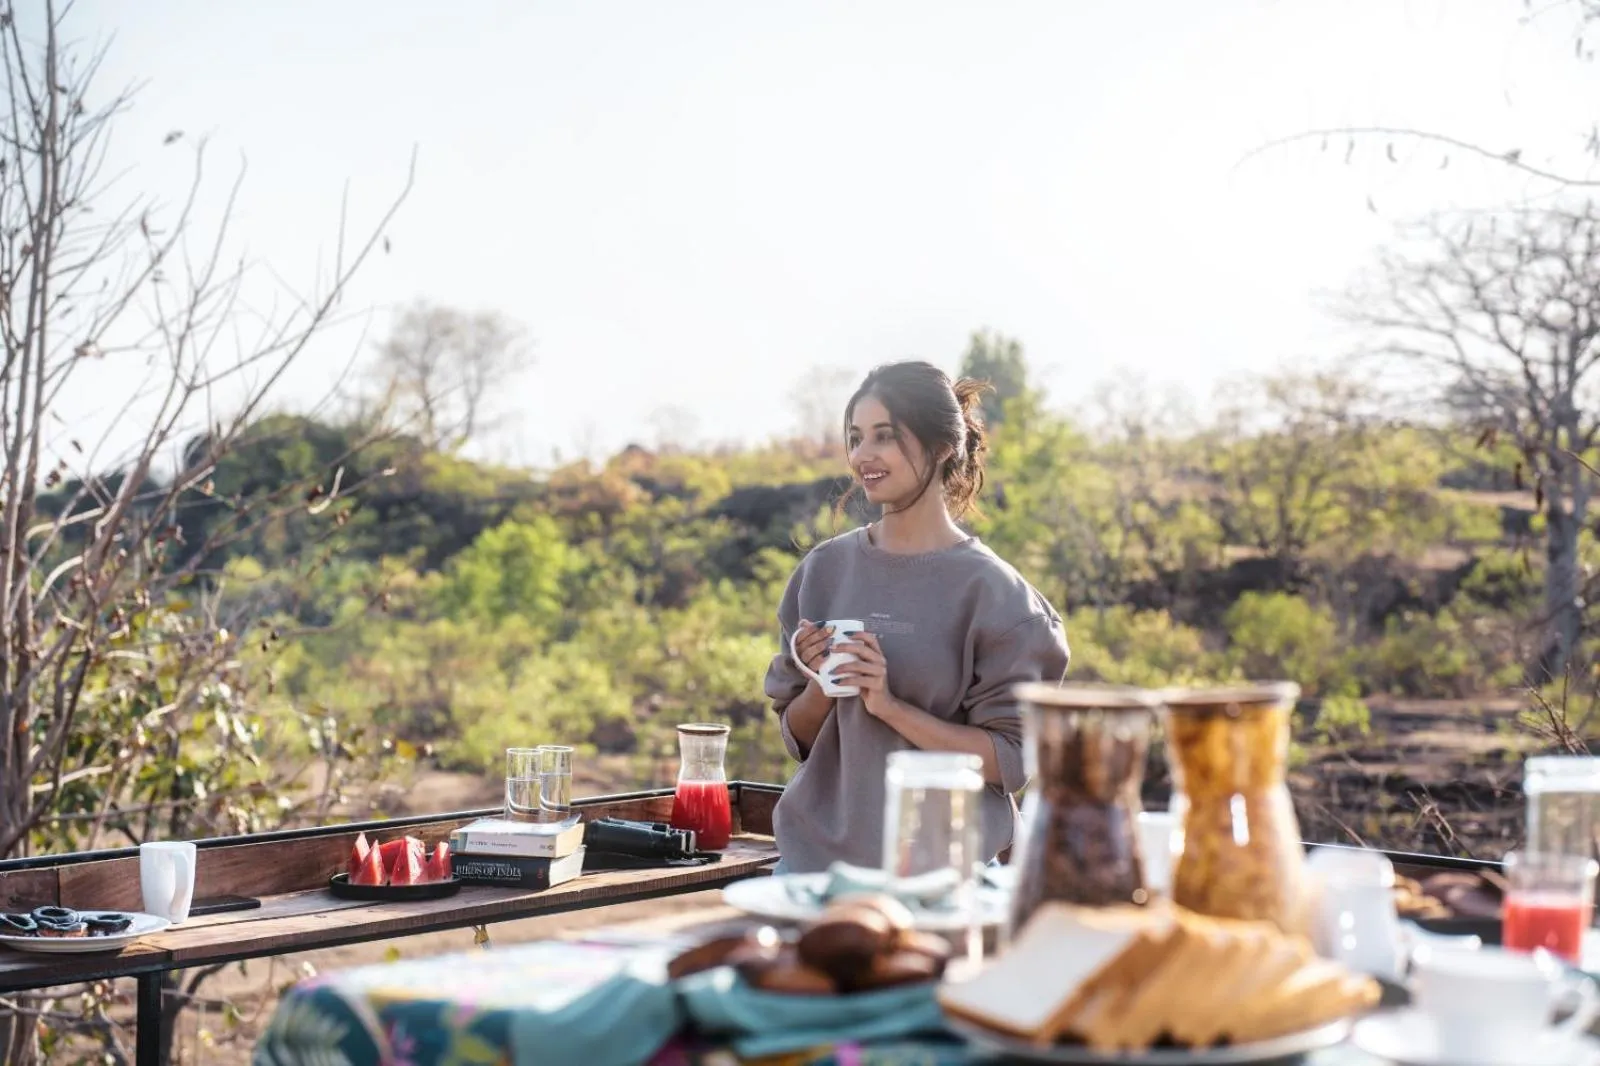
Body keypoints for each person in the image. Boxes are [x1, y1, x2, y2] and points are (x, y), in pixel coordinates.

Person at [762, 360, 1071, 875]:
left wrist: (889, 706)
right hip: (813, 872)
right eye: (855, 438)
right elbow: (800, 740)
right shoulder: (823, 571)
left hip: (948, 879)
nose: (862, 455)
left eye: (884, 436)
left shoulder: (999, 597)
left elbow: (1010, 761)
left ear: (943, 445)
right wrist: (822, 685)